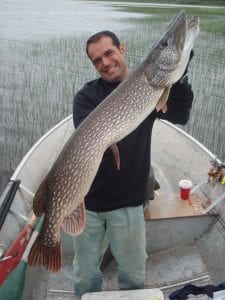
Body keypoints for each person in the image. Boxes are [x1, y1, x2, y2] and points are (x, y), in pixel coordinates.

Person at [72, 31, 194, 299]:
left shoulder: (151, 87)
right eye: (96, 60)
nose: (104, 62)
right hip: (88, 203)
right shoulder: (86, 97)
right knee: (84, 274)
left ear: (122, 49)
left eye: (108, 53)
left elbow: (181, 115)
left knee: (133, 273)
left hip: (128, 201)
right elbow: (90, 146)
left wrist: (181, 77)